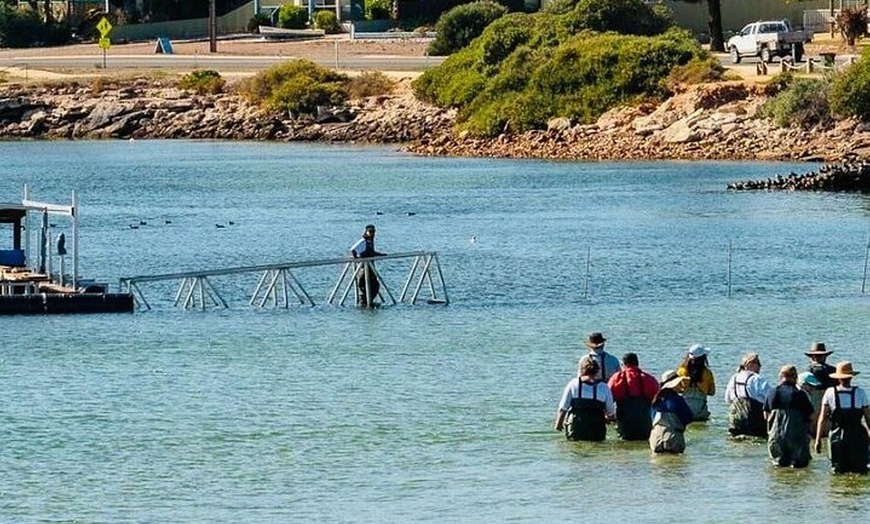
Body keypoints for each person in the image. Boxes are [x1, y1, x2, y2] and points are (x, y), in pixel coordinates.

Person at [814, 361, 870, 474]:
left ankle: (840, 490)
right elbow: (868, 417)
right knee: (859, 469)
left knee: (838, 470)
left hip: (837, 436)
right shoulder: (860, 393)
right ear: (851, 377)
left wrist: (818, 439)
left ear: (838, 378)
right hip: (857, 435)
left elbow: (822, 419)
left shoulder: (830, 393)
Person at [554, 356, 616, 442]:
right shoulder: (603, 387)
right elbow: (611, 412)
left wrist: (558, 425)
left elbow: (563, 408)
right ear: (597, 371)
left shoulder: (573, 384)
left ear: (581, 370)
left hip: (575, 428)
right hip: (596, 429)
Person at [764, 365, 815, 468]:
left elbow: (766, 416)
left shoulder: (772, 393)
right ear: (795, 377)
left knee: (778, 467)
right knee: (798, 467)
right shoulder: (800, 394)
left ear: (780, 376)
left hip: (776, 436)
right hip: (797, 437)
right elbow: (812, 417)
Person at [607, 352, 660, 440]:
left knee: (624, 442)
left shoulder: (617, 378)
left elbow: (608, 398)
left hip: (625, 422)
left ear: (623, 364)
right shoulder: (649, 379)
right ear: (637, 363)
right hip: (644, 421)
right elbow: (658, 398)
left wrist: (608, 415)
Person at [725, 352, 772, 438]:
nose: (760, 366)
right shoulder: (756, 379)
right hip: (754, 423)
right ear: (749, 364)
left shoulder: (733, 378)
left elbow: (727, 399)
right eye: (758, 363)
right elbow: (772, 399)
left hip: (736, 422)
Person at [650, 370, 694, 454]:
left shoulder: (656, 400)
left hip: (655, 439)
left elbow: (651, 418)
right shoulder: (677, 400)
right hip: (673, 439)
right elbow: (688, 418)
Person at [676, 344, 715, 422]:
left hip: (684, 409)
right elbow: (712, 392)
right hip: (700, 411)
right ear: (703, 358)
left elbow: (676, 389)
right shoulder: (707, 373)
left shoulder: (681, 371)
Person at [349, 224, 386, 306]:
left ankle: (368, 302)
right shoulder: (363, 241)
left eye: (374, 232)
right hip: (363, 268)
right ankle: (364, 303)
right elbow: (353, 250)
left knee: (375, 286)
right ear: (366, 232)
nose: (373, 233)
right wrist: (357, 261)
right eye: (370, 232)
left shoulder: (370, 242)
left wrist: (380, 254)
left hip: (371, 268)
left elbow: (372, 252)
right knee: (363, 286)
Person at [797, 371, 823, 437]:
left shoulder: (806, 394)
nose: (813, 388)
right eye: (811, 385)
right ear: (802, 384)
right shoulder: (799, 395)